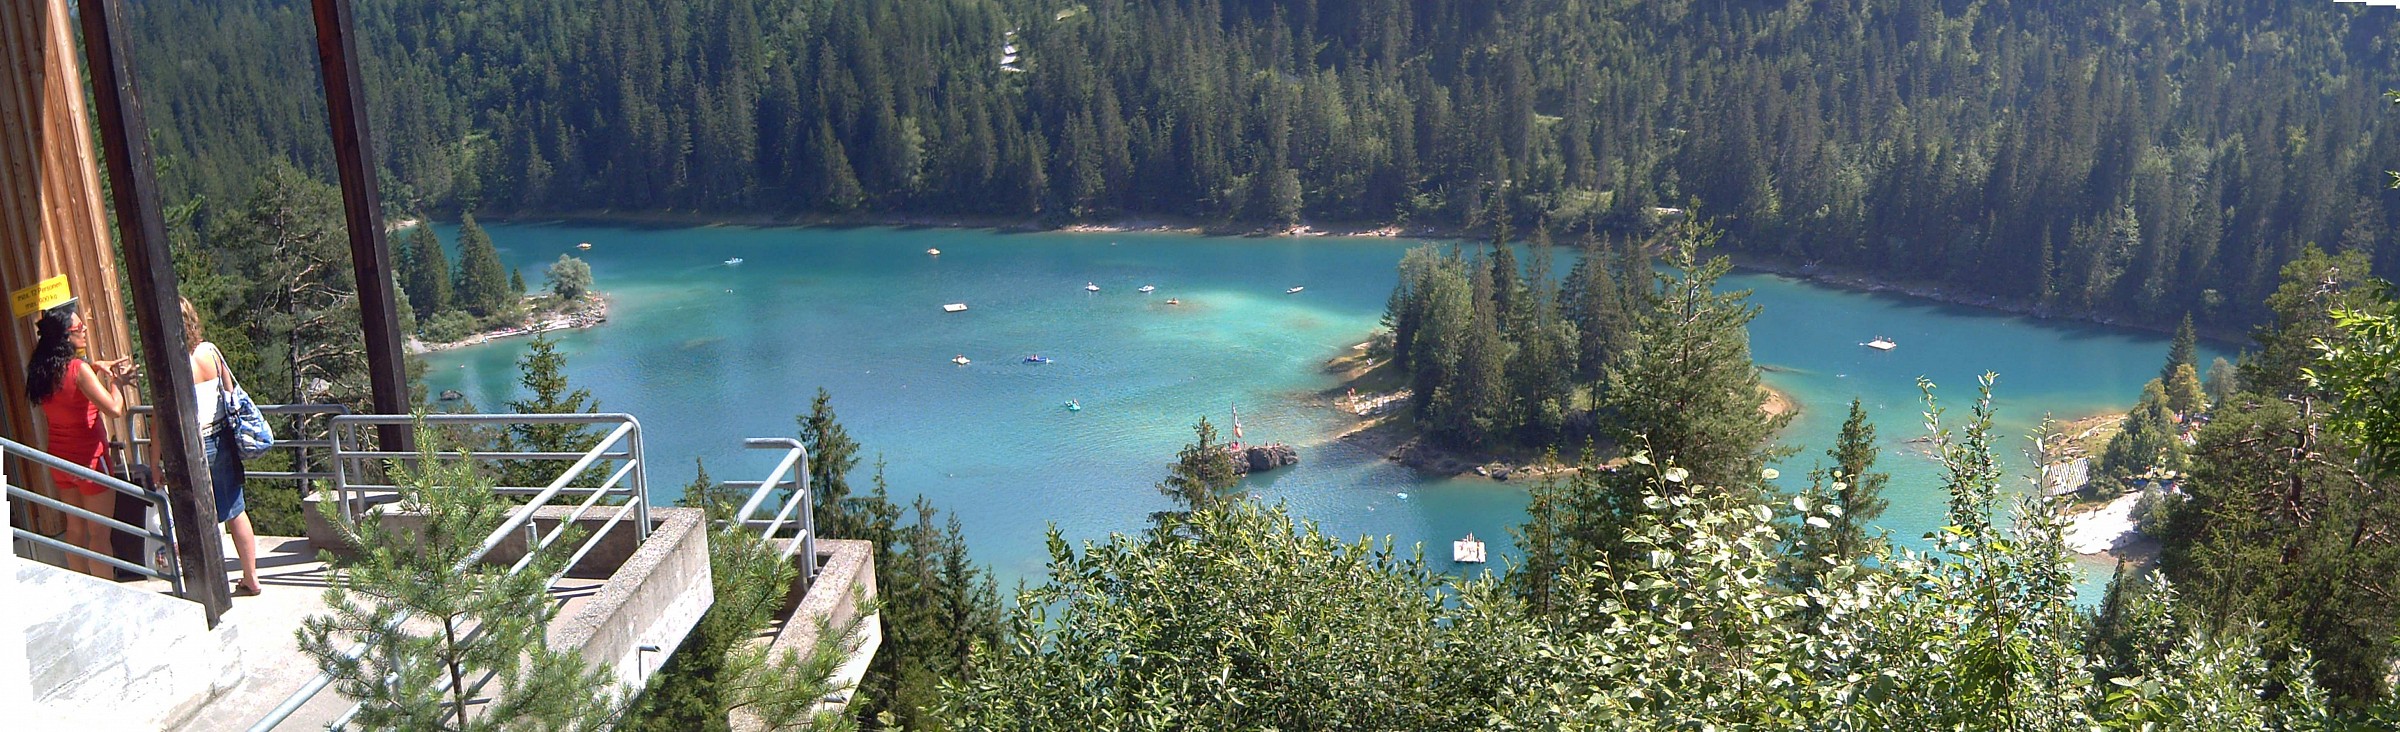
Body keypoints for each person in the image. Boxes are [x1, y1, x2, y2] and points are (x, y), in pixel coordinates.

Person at [26, 303, 136, 578]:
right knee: (99, 533)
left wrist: (94, 367)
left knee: (75, 529)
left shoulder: (43, 369)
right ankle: (107, 591)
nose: (84, 329)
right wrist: (117, 383)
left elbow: (70, 393)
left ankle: (81, 586)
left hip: (60, 461)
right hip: (91, 461)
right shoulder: (78, 369)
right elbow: (113, 409)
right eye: (78, 328)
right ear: (66, 336)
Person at [182, 298, 262, 596]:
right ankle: (251, 577)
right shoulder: (211, 352)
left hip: (195, 443)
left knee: (201, 515)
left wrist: (155, 461)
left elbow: (161, 419)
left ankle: (211, 585)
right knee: (235, 510)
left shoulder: (176, 362)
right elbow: (231, 393)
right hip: (223, 437)